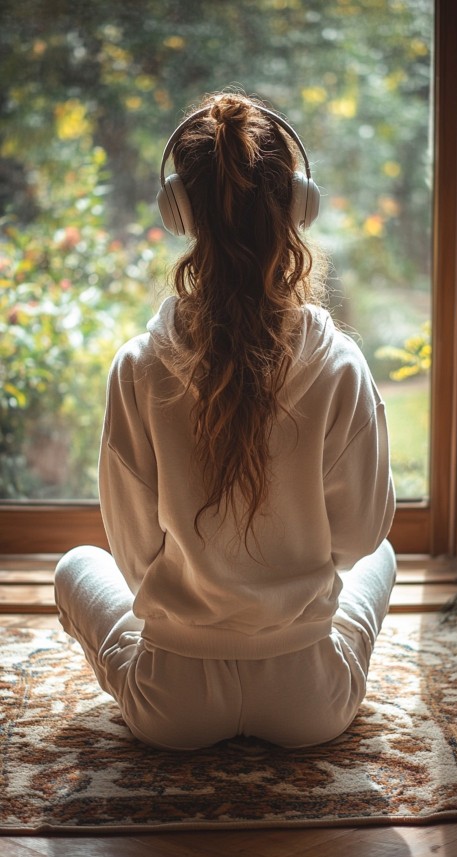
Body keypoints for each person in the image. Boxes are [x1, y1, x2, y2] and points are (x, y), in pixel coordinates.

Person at [55, 92, 396, 751]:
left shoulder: (138, 367)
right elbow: (356, 541)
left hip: (173, 704)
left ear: (179, 211)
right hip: (309, 700)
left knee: (76, 564)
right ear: (299, 206)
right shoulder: (341, 365)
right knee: (381, 554)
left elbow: (131, 558)